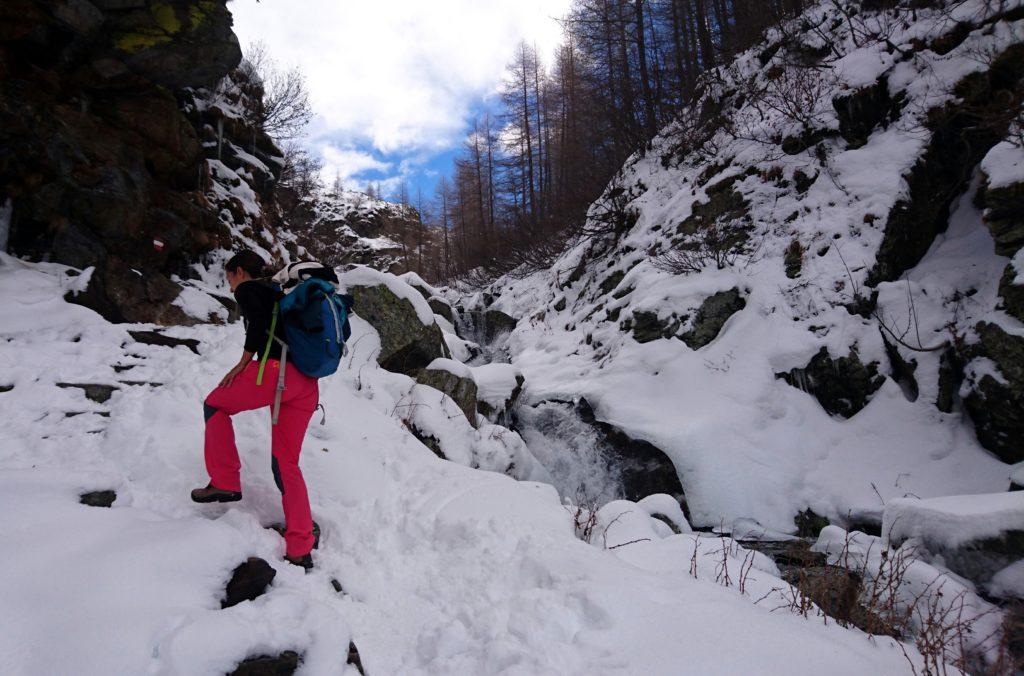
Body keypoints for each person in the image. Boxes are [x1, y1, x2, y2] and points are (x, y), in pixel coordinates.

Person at [191, 250, 319, 570]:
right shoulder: (279, 291)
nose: (230, 285)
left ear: (238, 272)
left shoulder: (249, 289)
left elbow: (260, 324)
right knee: (287, 463)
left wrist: (243, 362)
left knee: (214, 404)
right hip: (306, 381)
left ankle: (225, 481)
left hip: (275, 372)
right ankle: (300, 547)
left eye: (229, 277)